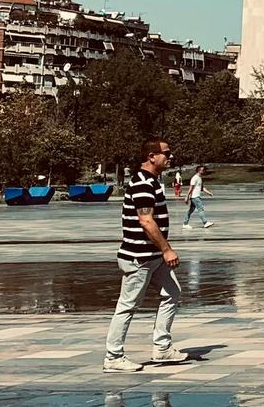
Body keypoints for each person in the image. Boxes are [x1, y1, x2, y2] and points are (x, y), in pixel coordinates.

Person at [104, 138, 188, 372]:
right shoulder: (142, 184)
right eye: (166, 153)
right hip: (138, 257)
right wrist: (167, 249)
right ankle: (113, 356)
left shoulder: (151, 182)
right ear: (152, 156)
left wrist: (161, 252)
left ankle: (162, 348)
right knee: (128, 305)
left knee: (172, 292)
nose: (170, 157)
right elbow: (146, 221)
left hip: (152, 256)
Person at [181, 165, 213, 230]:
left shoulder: (199, 178)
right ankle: (205, 222)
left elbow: (202, 188)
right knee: (200, 208)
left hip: (196, 196)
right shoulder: (194, 178)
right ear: (199, 170)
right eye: (203, 170)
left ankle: (185, 223)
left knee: (191, 210)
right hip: (195, 197)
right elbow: (191, 188)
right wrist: (187, 196)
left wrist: (208, 193)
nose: (204, 171)